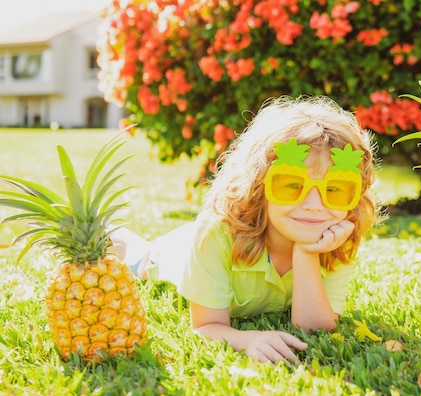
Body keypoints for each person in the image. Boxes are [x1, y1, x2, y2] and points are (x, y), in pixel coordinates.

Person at [110, 95, 380, 363]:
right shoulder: (217, 234)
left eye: (333, 189)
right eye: (291, 186)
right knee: (138, 257)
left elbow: (315, 330)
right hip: (174, 253)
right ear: (259, 186)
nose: (313, 205)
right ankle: (113, 232)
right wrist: (246, 339)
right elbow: (205, 326)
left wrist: (308, 253)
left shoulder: (336, 236)